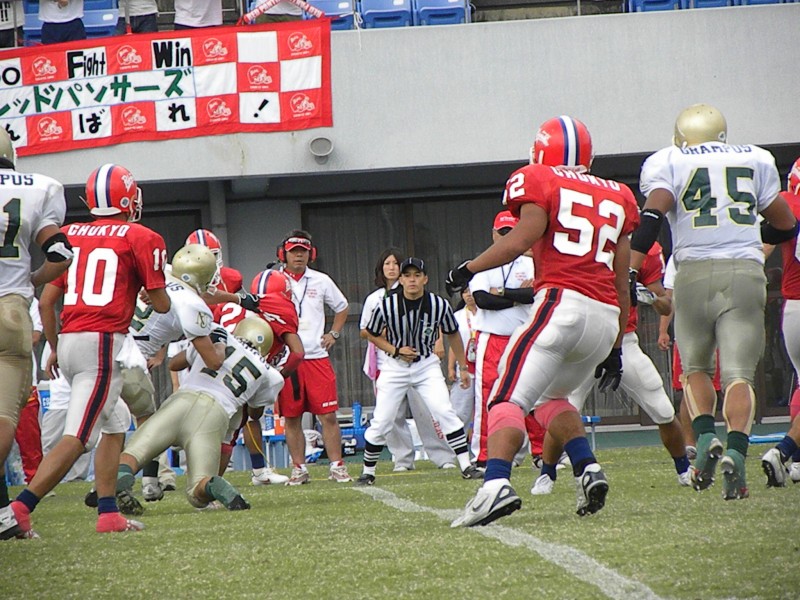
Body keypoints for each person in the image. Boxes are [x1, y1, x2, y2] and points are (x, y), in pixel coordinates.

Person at [447, 115, 639, 527]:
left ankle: (495, 484)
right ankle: (588, 468)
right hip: (605, 318)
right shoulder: (620, 194)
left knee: (504, 398)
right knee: (551, 398)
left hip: (561, 305)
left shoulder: (539, 178)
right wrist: (616, 348)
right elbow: (622, 281)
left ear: (540, 152)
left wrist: (467, 269)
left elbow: (521, 237)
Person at [631, 103, 797, 501]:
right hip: (743, 271)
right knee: (739, 374)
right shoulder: (754, 159)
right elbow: (786, 223)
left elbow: (653, 216)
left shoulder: (669, 161)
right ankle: (736, 451)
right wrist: (747, 232)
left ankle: (705, 436)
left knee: (695, 369)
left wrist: (631, 270)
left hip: (692, 273)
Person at [10, 163, 172, 537]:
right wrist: (148, 290)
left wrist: (55, 347)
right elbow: (162, 305)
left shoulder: (69, 234)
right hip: (102, 342)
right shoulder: (141, 236)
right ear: (128, 200)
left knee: (115, 425)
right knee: (79, 436)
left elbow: (47, 301)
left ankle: (108, 512)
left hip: (69, 341)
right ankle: (20, 509)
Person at [531, 242, 690, 494]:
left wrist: (647, 296)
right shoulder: (584, 243)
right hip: (586, 340)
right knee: (564, 408)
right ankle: (547, 474)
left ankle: (684, 469)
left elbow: (665, 304)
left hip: (624, 341)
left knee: (662, 408)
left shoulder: (644, 252)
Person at [117, 317, 284, 513]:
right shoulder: (270, 375)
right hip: (215, 414)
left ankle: (119, 479)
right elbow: (255, 413)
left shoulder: (219, 335)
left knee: (133, 454)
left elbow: (175, 364)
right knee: (197, 490)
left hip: (182, 400)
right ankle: (213, 485)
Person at [0, 127, 72, 540]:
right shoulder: (39, 188)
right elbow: (60, 252)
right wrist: (31, 279)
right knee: (4, 418)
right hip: (10, 309)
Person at [356, 257, 481, 486]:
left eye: (416, 275)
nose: (412, 280)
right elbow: (370, 333)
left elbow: (452, 333)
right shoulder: (387, 305)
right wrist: (395, 350)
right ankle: (368, 472)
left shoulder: (438, 304)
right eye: (407, 275)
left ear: (425, 279)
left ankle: (465, 466)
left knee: (444, 410)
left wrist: (463, 367)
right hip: (395, 366)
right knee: (383, 419)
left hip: (426, 364)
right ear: (401, 280)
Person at [117, 243, 225, 503]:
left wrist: (236, 299)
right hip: (131, 359)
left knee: (108, 426)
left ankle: (118, 484)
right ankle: (144, 484)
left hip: (107, 344)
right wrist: (220, 342)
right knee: (148, 423)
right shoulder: (192, 305)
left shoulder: (161, 273)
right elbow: (212, 361)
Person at [276, 230, 352, 485]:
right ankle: (299, 468)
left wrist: (334, 333)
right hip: (287, 358)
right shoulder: (274, 280)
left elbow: (342, 307)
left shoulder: (321, 280)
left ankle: (337, 465)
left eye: (303, 251)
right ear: (283, 254)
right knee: (292, 417)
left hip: (317, 356)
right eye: (293, 251)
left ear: (311, 254)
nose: (298, 256)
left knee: (328, 415)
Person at [468, 210, 540, 472]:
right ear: (493, 234)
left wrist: (502, 293)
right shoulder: (483, 263)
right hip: (492, 339)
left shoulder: (531, 263)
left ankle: (541, 452)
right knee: (487, 397)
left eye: (512, 232)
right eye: (503, 233)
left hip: (523, 337)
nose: (507, 237)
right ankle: (484, 455)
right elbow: (483, 300)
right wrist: (516, 296)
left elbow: (535, 294)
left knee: (533, 395)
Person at [762, 157, 800, 486]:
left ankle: (797, 461)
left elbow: (761, 248)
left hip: (793, 309)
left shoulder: (787, 203)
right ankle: (784, 451)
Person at [447, 287, 478, 447]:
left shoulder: (488, 313)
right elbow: (454, 344)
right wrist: (451, 367)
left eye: (472, 291)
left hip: (486, 368)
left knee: (484, 411)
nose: (469, 295)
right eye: (465, 292)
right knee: (459, 410)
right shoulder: (457, 316)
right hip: (464, 369)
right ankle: (456, 448)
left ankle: (481, 448)